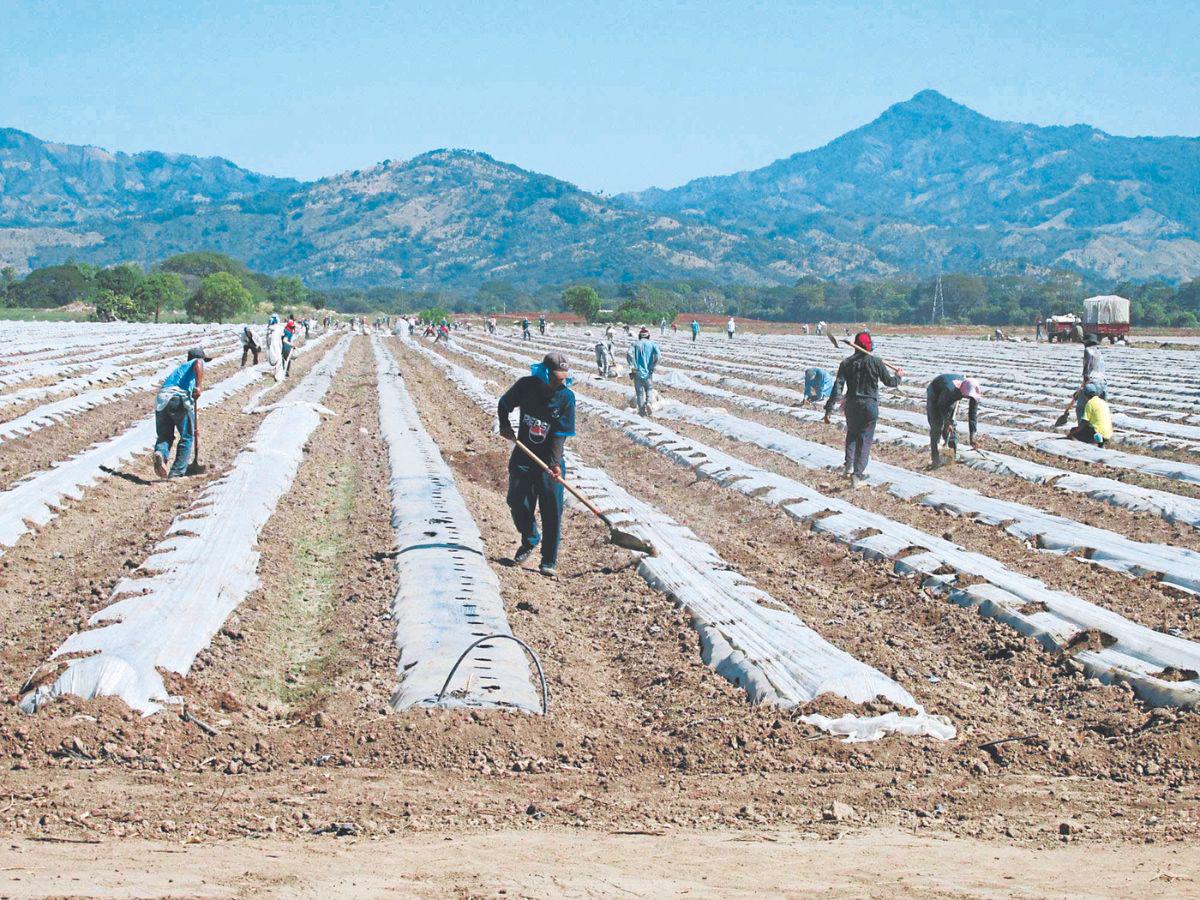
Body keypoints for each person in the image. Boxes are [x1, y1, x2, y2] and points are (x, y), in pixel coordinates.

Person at [497, 352, 576, 578]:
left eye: (563, 378)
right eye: (556, 377)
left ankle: (548, 561)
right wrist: (504, 424)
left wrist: (554, 464)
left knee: (552, 510)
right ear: (544, 372)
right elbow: (504, 404)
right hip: (523, 455)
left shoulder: (566, 398)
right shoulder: (526, 386)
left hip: (550, 460)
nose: (560, 382)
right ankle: (531, 538)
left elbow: (560, 434)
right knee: (516, 501)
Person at [823, 331, 902, 487]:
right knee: (865, 438)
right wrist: (898, 376)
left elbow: (837, 386)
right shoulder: (876, 362)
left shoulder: (846, 363)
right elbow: (890, 383)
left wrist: (829, 408)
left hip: (851, 404)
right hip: (869, 405)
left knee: (852, 434)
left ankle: (848, 466)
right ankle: (857, 475)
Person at [152, 346, 210, 479]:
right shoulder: (196, 362)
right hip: (177, 398)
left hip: (162, 399)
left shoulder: (180, 370)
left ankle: (160, 453)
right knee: (187, 436)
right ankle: (177, 473)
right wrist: (199, 387)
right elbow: (198, 363)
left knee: (165, 435)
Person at [926, 374, 982, 468]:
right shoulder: (950, 390)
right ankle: (935, 459)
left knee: (952, 427)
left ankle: (951, 457)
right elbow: (941, 405)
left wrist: (972, 436)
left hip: (950, 395)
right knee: (937, 424)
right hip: (935, 392)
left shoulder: (973, 393)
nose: (969, 399)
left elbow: (972, 414)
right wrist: (947, 422)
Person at [626, 326, 661, 416]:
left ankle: (641, 412)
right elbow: (658, 356)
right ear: (648, 336)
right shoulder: (652, 344)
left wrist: (632, 367)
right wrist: (653, 366)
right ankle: (649, 403)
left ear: (640, 336)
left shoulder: (635, 344)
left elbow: (629, 354)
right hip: (648, 372)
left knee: (640, 393)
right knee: (649, 389)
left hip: (637, 371)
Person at [1076, 337, 1108, 425]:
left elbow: (1087, 369)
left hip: (1092, 384)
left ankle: (1082, 430)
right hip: (1104, 385)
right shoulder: (1099, 351)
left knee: (1080, 408)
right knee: (1100, 409)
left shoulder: (1087, 350)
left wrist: (1080, 391)